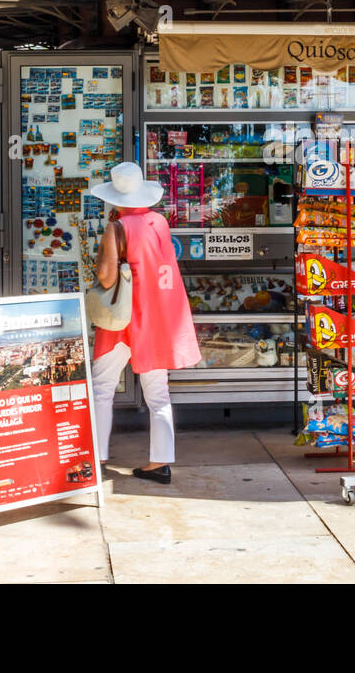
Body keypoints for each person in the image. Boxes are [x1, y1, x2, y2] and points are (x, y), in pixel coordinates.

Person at [90, 162, 201, 483]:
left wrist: (106, 245)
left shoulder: (117, 228)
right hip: (157, 319)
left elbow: (107, 278)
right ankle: (161, 462)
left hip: (124, 319)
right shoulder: (160, 222)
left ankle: (96, 460)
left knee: (101, 389)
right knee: (158, 395)